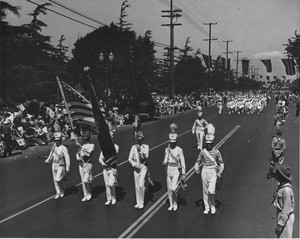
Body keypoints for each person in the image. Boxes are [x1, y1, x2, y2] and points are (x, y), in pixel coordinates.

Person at [194, 128, 224, 215]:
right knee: (205, 191)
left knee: (211, 191)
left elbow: (221, 163)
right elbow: (198, 161)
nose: (208, 146)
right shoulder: (203, 152)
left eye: (210, 144)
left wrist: (220, 172)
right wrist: (196, 168)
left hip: (213, 171)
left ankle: (213, 205)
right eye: (207, 144)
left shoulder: (216, 152)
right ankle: (207, 207)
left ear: (213, 143)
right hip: (205, 170)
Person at [162, 133, 186, 211]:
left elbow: (182, 161)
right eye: (171, 142)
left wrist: (183, 173)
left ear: (176, 142)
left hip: (176, 170)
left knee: (173, 188)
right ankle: (171, 203)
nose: (172, 144)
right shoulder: (167, 149)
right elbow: (165, 162)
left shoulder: (179, 149)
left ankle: (175, 202)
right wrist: (167, 154)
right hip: (169, 169)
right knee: (169, 189)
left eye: (173, 142)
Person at [45, 132, 70, 199]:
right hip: (54, 164)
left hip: (60, 165)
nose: (57, 142)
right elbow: (51, 155)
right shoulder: (54, 147)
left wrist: (68, 167)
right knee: (55, 180)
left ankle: (62, 190)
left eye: (58, 141)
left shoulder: (63, 148)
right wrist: (48, 160)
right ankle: (58, 192)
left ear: (60, 140)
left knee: (58, 179)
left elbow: (67, 158)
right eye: (56, 141)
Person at [272, 164, 294, 238]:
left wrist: (280, 224)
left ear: (281, 176)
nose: (276, 174)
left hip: (285, 218)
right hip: (283, 216)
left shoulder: (286, 191)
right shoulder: (282, 186)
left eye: (278, 173)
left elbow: (286, 210)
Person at [128, 131, 149, 209]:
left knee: (141, 185)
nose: (139, 140)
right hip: (136, 168)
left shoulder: (145, 147)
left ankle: (142, 202)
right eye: (138, 139)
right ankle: (138, 202)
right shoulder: (133, 147)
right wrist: (134, 164)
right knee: (137, 186)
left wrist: (140, 149)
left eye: (141, 139)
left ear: (142, 139)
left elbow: (146, 157)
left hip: (143, 167)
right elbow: (129, 158)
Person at [99, 131, 119, 205]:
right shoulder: (104, 148)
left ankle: (114, 197)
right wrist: (103, 163)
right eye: (110, 138)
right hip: (105, 168)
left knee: (111, 184)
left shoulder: (116, 146)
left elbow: (114, 155)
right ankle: (109, 198)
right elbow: (100, 158)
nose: (112, 139)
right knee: (107, 184)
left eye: (112, 137)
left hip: (112, 168)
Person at [76, 131, 94, 202]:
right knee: (83, 180)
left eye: (86, 139)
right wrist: (78, 149)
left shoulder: (91, 145)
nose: (85, 140)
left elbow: (88, 153)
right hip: (82, 164)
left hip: (88, 164)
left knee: (86, 180)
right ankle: (85, 194)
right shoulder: (82, 146)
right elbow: (80, 156)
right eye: (84, 139)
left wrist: (80, 147)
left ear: (89, 139)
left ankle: (89, 193)